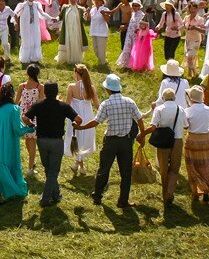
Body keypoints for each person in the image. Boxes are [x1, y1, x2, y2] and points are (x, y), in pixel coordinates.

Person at [77, 73, 145, 208]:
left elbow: (96, 122)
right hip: (126, 141)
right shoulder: (129, 102)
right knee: (125, 172)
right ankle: (123, 200)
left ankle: (97, 196)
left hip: (111, 142)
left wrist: (81, 127)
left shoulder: (106, 104)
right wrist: (142, 135)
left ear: (108, 89)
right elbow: (139, 119)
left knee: (104, 169)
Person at [25, 80, 81, 206]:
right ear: (57, 92)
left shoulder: (38, 105)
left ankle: (56, 195)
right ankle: (45, 199)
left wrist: (31, 125)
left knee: (48, 169)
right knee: (53, 171)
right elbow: (79, 119)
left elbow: (25, 118)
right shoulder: (63, 106)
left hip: (41, 141)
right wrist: (74, 124)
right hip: (56, 142)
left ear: (44, 92)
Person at [144, 87, 186, 205]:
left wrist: (142, 134)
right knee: (174, 168)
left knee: (163, 168)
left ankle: (164, 192)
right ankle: (170, 193)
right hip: (177, 140)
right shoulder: (181, 109)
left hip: (163, 141)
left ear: (163, 98)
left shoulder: (159, 109)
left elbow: (153, 127)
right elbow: (186, 125)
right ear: (175, 98)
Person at [64, 64, 98, 175]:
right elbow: (97, 105)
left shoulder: (71, 86)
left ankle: (77, 165)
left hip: (75, 115)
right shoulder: (91, 88)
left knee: (77, 137)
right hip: (87, 116)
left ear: (77, 74)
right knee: (82, 139)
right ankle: (80, 167)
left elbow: (67, 105)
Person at [15, 63, 44, 176]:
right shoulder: (40, 87)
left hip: (22, 116)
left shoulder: (21, 86)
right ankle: (30, 168)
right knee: (32, 142)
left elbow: (16, 102)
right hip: (34, 117)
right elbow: (42, 103)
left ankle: (31, 164)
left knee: (28, 141)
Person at [14, 0, 51, 65]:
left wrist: (50, 18)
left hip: (34, 26)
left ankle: (35, 58)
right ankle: (25, 58)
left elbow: (42, 13)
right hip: (25, 26)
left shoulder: (37, 4)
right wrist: (16, 23)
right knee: (27, 41)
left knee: (35, 40)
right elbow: (15, 14)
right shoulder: (22, 5)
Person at [57, 0, 87, 65]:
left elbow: (84, 20)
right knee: (67, 41)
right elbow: (60, 16)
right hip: (67, 29)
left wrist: (86, 15)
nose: (73, 1)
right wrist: (56, 19)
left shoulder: (81, 9)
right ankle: (66, 58)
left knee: (75, 42)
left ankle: (76, 58)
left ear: (77, 0)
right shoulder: (65, 8)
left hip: (77, 30)